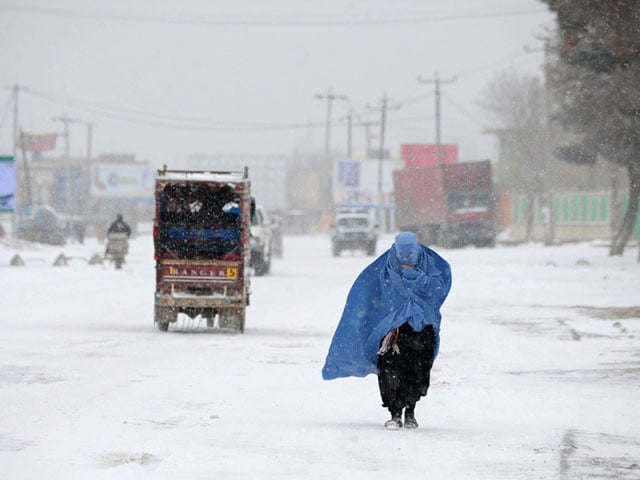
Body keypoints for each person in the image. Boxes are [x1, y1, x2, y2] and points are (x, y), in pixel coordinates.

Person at [322, 232, 452, 430]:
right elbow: (368, 294)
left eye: (411, 251)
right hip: (392, 331)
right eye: (403, 251)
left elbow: (438, 289)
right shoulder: (384, 268)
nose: (407, 256)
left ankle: (410, 411)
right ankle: (394, 412)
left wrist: (416, 278)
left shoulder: (429, 264)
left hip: (422, 328)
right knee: (390, 371)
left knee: (418, 370)